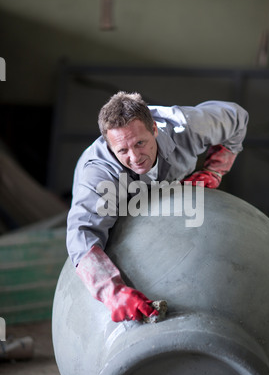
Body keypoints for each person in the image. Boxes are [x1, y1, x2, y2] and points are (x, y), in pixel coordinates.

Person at [66, 91, 249, 323]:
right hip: (118, 200)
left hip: (166, 193)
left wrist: (215, 169)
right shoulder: (98, 176)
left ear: (154, 128)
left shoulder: (188, 128)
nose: (134, 157)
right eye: (122, 150)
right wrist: (113, 294)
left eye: (140, 143)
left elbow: (237, 118)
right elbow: (82, 237)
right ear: (111, 148)